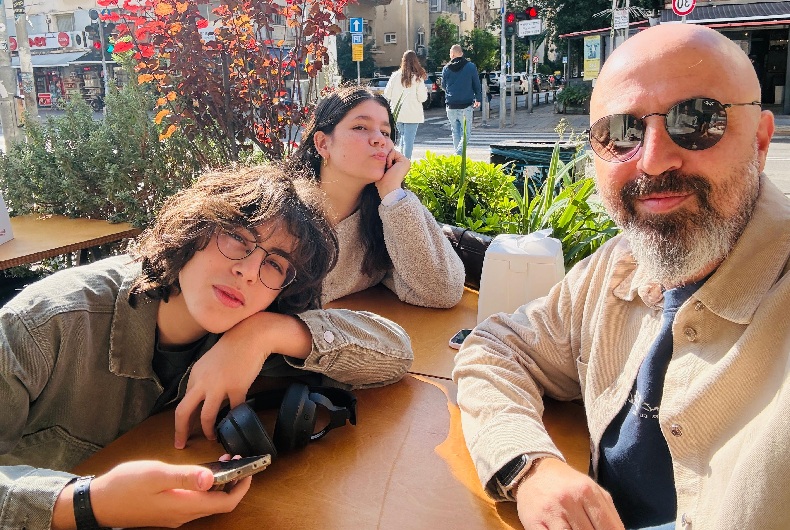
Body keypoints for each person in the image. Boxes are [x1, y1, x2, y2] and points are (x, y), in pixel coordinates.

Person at [454, 23, 789, 530]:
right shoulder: (620, 263)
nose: (652, 160)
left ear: (760, 140)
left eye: (698, 120)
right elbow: (497, 347)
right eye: (621, 133)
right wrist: (531, 468)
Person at [0, 165, 413, 529]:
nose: (248, 271)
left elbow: (394, 351)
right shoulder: (42, 325)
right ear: (195, 229)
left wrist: (262, 335)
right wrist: (85, 505)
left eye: (274, 264)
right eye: (237, 238)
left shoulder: (250, 324)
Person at [384, 50, 428, 159]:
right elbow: (423, 98)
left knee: (403, 137)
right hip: (412, 113)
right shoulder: (417, 78)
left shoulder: (395, 76)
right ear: (415, 61)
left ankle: (401, 161)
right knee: (408, 140)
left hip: (397, 112)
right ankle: (406, 162)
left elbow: (387, 94)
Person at [441, 45, 482, 155]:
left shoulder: (446, 68)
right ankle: (458, 155)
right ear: (462, 54)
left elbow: (443, 86)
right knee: (466, 133)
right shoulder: (471, 67)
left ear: (452, 54)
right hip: (466, 105)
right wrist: (478, 98)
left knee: (455, 132)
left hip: (451, 105)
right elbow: (476, 83)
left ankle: (458, 159)